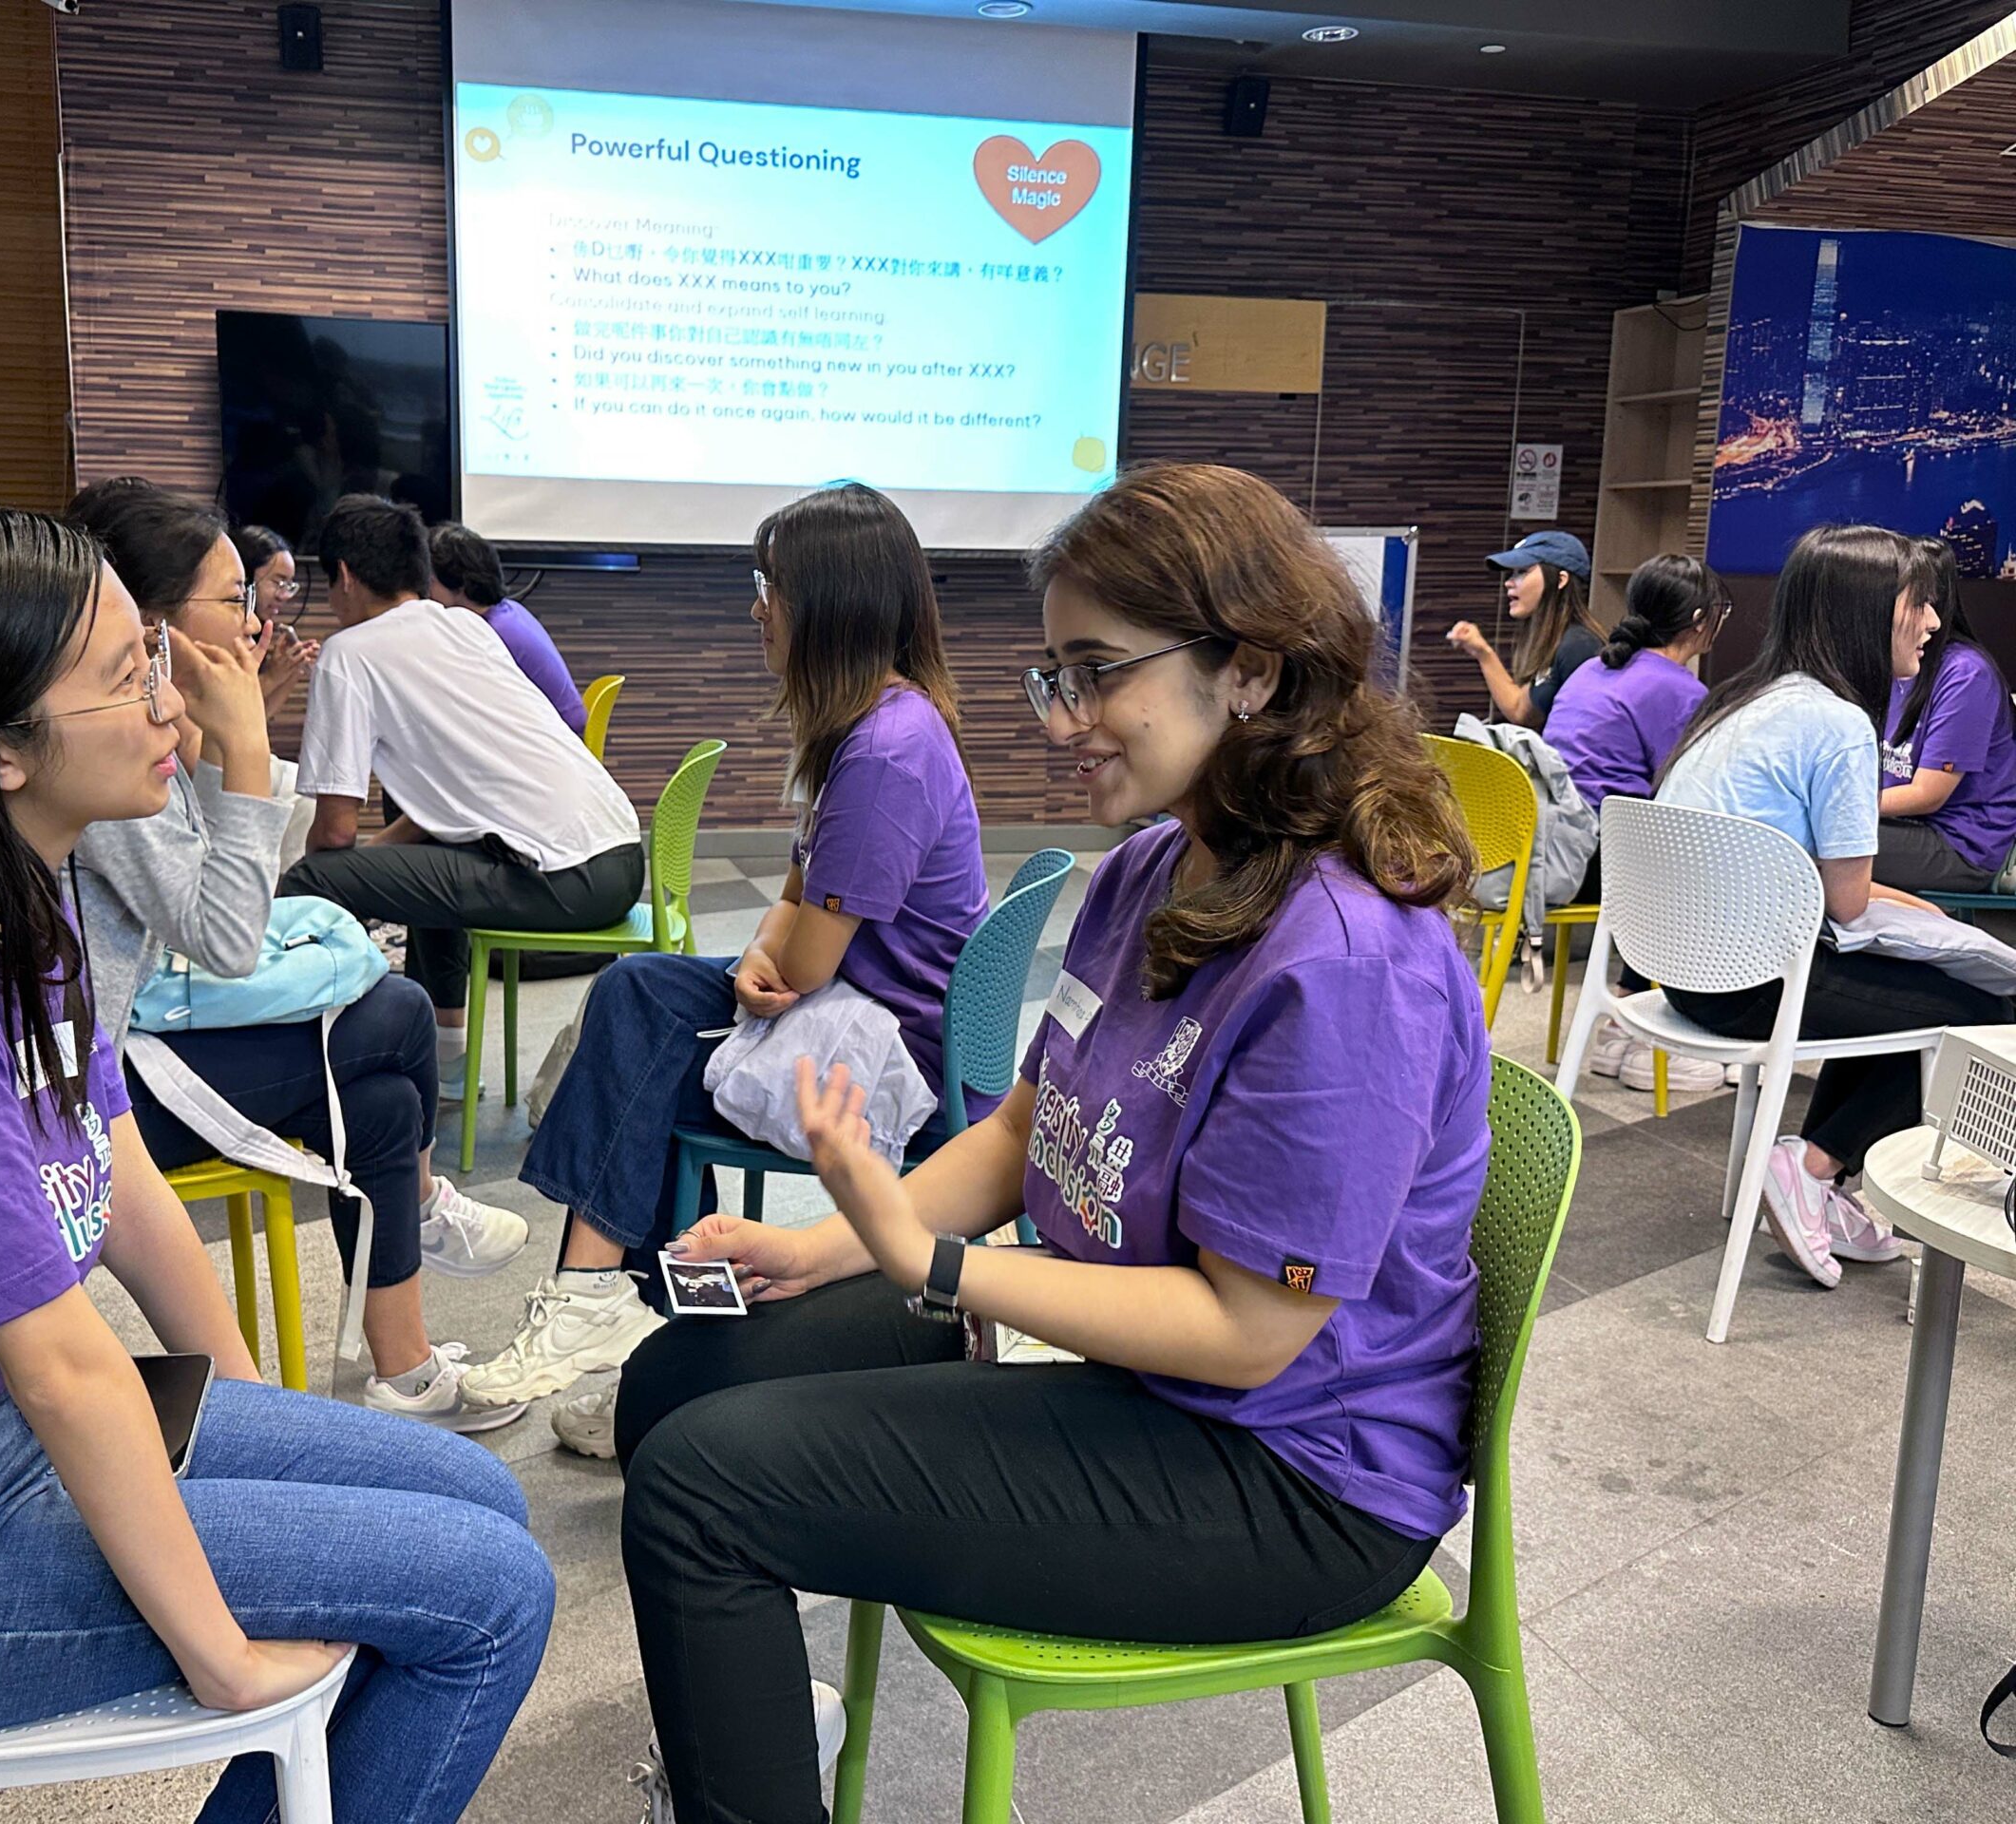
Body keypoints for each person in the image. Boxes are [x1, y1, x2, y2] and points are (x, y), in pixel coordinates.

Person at [611, 464, 1490, 1824]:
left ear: (1247, 671)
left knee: (696, 1494)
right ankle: (759, 1728)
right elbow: (1029, 1129)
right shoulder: (1156, 864)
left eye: (1096, 674)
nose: (1063, 721)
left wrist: (933, 1267)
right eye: (1052, 675)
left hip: (1292, 1480)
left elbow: (1250, 1333)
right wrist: (820, 1246)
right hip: (1156, 1386)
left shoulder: (1349, 960)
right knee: (674, 1385)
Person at [0, 501, 551, 1817]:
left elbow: (114, 1164)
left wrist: (258, 1406)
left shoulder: (22, 896)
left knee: (477, 1499)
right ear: (1, 748)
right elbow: (64, 1362)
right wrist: (220, 1653)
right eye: (134, 673)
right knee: (486, 1594)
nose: (174, 702)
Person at [458, 483, 990, 1458]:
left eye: (769, 585)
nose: (758, 606)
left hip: (892, 1056)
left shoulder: (884, 752)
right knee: (645, 1037)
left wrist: (775, 950)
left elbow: (813, 957)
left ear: (829, 602)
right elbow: (793, 907)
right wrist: (758, 951)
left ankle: (600, 1296)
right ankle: (666, 1353)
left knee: (638, 1026)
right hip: (863, 1009)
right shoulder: (868, 726)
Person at [67, 480, 530, 1433]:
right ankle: (413, 1285)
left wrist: (221, 733)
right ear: (147, 620)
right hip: (102, 1098)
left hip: (118, 1070)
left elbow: (229, 881)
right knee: (393, 1017)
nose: (258, 619)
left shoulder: (124, 723)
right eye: (237, 597)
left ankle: (399, 1365)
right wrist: (238, 738)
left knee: (383, 1098)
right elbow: (229, 931)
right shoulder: (90, 748)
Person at [1655, 523, 2006, 1288]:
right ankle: (1809, 1165)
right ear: (1871, 610)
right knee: (1978, 1008)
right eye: (1920, 604)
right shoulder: (1840, 723)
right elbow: (1848, 906)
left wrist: (1911, 910)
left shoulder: (1740, 698)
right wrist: (1924, 916)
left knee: (1909, 981)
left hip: (1679, 968)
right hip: (1751, 982)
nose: (1934, 623)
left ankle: (1824, 1179)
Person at [280, 495, 645, 1099]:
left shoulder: (349, 655)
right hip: (622, 856)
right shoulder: (465, 626)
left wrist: (308, 873)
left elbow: (335, 832)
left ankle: (301, 1077)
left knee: (310, 883)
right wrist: (377, 863)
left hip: (560, 878)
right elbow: (436, 813)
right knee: (423, 870)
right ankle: (444, 1064)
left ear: (344, 574)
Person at [1544, 553, 1723, 1093]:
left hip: (1555, 850)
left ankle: (1620, 1019)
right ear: (1699, 621)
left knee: (1664, 861)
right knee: (1713, 871)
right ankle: (1668, 1035)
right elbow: (1687, 798)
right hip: (1601, 864)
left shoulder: (1591, 669)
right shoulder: (1678, 689)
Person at [1877, 535, 2016, 895]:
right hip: (1906, 825)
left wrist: (1840, 807)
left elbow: (1928, 795)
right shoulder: (1893, 661)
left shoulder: (1966, 674)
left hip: (1959, 843)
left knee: (1819, 841)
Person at [426, 522, 587, 737]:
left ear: (459, 585)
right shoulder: (508, 610)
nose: (425, 590)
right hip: (561, 729)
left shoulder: (490, 634)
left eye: (431, 581)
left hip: (557, 739)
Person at [1446, 529, 1603, 729]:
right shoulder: (1559, 640)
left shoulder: (1579, 646)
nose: (1508, 582)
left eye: (1522, 572)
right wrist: (1482, 652)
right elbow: (1521, 710)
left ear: (1561, 580)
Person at [231, 521, 321, 720]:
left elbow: (260, 716)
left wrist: (293, 669)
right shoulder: (222, 629)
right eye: (278, 582)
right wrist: (271, 677)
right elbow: (225, 710)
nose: (285, 595)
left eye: (289, 585)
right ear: (245, 577)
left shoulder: (259, 629)